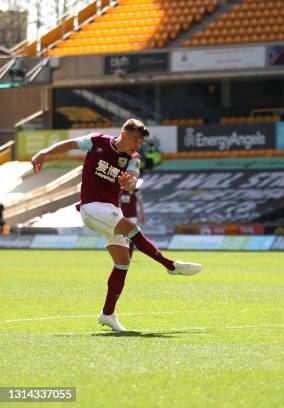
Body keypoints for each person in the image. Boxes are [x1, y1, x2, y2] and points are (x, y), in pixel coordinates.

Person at [31, 119, 202, 333]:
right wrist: (44, 152)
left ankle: (108, 314)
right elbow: (70, 144)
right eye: (135, 140)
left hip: (112, 210)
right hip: (91, 207)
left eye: (140, 142)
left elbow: (132, 179)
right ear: (124, 134)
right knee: (130, 227)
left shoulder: (133, 158)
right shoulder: (96, 141)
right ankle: (169, 265)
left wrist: (128, 183)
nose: (137, 145)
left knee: (122, 262)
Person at [120, 182, 146, 259]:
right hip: (122, 216)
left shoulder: (136, 191)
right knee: (123, 236)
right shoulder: (120, 190)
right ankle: (123, 255)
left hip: (132, 217)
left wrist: (142, 215)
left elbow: (140, 202)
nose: (133, 184)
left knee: (130, 235)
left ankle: (129, 255)